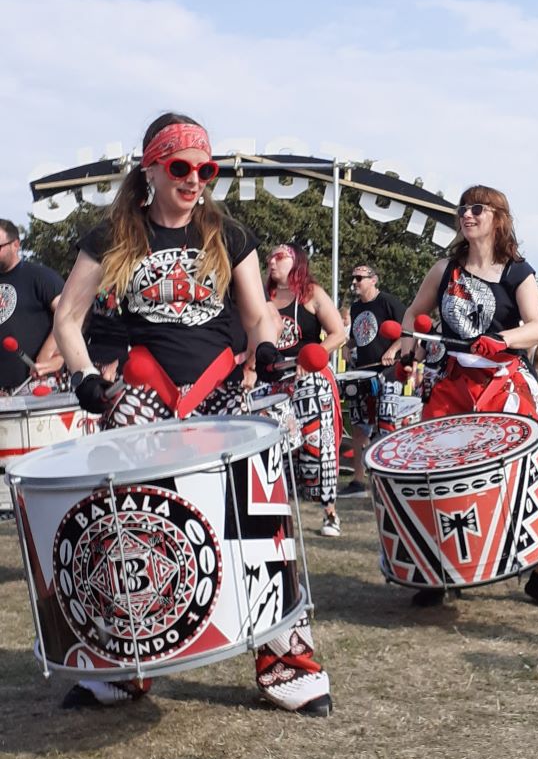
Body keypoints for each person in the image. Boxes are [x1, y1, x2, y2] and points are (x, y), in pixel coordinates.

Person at [53, 112, 331, 716]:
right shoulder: (111, 236)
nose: (194, 179)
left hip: (220, 393)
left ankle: (285, 657)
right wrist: (81, 377)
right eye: (181, 167)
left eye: (205, 169)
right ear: (151, 167)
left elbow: (258, 313)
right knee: (128, 525)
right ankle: (126, 666)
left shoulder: (228, 233)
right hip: (143, 394)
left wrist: (265, 345)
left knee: (258, 519)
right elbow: (68, 318)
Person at [399, 184, 538, 611]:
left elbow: (535, 326)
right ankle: (438, 570)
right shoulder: (444, 268)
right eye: (463, 209)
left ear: (498, 217)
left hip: (504, 382)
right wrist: (409, 347)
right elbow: (412, 315)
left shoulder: (517, 270)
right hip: (452, 381)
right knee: (436, 472)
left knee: (526, 472)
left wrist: (500, 339)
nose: (468, 215)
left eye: (477, 208)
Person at [264, 242, 346, 536]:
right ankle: (280, 516)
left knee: (319, 445)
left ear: (296, 261)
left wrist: (312, 356)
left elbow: (338, 334)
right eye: (270, 257)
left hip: (311, 378)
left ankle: (330, 514)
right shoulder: (262, 296)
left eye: (280, 257)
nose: (272, 262)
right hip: (273, 381)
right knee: (277, 449)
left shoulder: (311, 293)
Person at [340, 264, 406, 497]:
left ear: (373, 280)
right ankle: (359, 481)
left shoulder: (389, 302)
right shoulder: (357, 308)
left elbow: (406, 332)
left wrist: (394, 350)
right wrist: (348, 346)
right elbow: (360, 336)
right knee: (359, 427)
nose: (355, 281)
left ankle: (388, 480)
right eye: (353, 277)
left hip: (387, 373)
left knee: (385, 425)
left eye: (360, 278)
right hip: (361, 373)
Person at [0, 219, 65, 394]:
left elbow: (68, 316)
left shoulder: (39, 276)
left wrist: (48, 352)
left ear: (16, 244)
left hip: (35, 383)